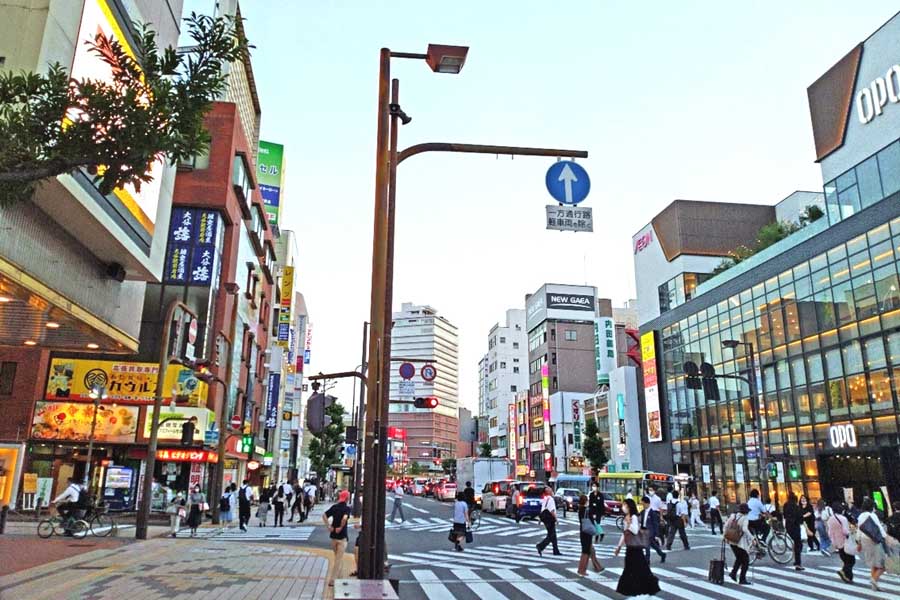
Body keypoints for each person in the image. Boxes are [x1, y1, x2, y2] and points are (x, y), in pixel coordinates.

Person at [614, 498, 660, 596]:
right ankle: (629, 588)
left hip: (636, 548)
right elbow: (624, 534)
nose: (624, 507)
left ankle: (648, 586)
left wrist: (629, 523)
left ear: (629, 507)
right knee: (629, 568)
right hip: (629, 547)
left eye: (625, 505)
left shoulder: (634, 517)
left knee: (641, 568)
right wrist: (619, 547)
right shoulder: (626, 517)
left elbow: (635, 530)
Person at [858, 496, 890, 591]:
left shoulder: (860, 516)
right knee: (883, 565)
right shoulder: (872, 515)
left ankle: (874, 585)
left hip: (864, 540)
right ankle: (874, 579)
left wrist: (859, 543)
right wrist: (886, 538)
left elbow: (859, 530)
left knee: (873, 563)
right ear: (872, 507)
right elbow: (879, 528)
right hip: (874, 540)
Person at [323, 489, 351, 587]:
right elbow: (344, 518)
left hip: (333, 536)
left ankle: (341, 577)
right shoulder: (347, 508)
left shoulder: (334, 507)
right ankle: (333, 580)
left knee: (338, 558)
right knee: (338, 559)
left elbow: (324, 515)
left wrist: (328, 526)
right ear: (347, 498)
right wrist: (341, 527)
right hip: (342, 536)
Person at [723, 503, 753, 585]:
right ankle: (742, 579)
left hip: (731, 540)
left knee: (739, 558)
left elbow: (725, 526)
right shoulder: (744, 518)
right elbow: (745, 529)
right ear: (746, 512)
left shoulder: (733, 516)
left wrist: (724, 536)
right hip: (739, 542)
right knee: (746, 560)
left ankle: (733, 573)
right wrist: (752, 538)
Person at [827, 500, 855, 583]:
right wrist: (851, 532)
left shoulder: (830, 519)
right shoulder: (843, 519)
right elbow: (845, 531)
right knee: (851, 560)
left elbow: (830, 532)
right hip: (845, 541)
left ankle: (848, 578)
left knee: (846, 560)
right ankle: (843, 572)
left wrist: (833, 542)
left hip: (837, 542)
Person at [577, 494, 604, 576]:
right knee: (586, 552)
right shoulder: (587, 510)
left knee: (589, 550)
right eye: (587, 500)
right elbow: (592, 520)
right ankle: (582, 570)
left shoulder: (580, 509)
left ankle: (597, 567)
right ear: (585, 501)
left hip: (583, 531)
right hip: (587, 532)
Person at [640, 495, 666, 563]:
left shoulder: (652, 513)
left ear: (647, 503)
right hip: (644, 530)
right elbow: (641, 521)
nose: (642, 505)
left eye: (643, 504)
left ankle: (647, 560)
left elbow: (655, 524)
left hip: (650, 532)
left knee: (647, 545)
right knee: (653, 545)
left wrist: (656, 534)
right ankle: (662, 554)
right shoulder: (642, 512)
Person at [536, 486, 561, 556]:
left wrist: (540, 519)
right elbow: (552, 510)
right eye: (549, 489)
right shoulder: (550, 499)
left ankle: (556, 550)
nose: (551, 489)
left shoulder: (545, 499)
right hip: (550, 519)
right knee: (551, 535)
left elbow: (543, 509)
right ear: (548, 492)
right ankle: (540, 546)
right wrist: (556, 519)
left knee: (553, 535)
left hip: (545, 519)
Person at [783, 492, 804, 571]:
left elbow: (784, 515)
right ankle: (798, 563)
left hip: (788, 526)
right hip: (795, 526)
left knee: (796, 543)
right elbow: (800, 518)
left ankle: (796, 561)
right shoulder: (796, 507)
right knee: (798, 544)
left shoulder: (785, 505)